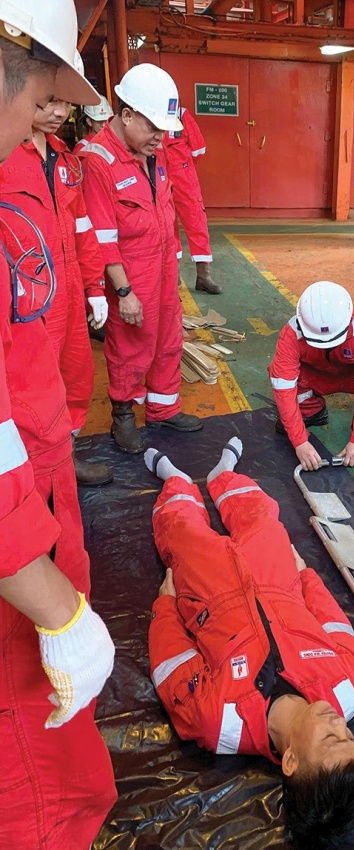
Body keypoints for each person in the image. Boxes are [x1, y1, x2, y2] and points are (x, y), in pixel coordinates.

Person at [0, 1, 117, 847]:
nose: (40, 119)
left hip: (36, 489)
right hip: (17, 552)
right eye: (41, 95)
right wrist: (56, 610)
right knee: (38, 784)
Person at [145, 438, 354, 848]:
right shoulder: (353, 686)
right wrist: (305, 576)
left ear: (291, 761)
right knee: (265, 519)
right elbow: (335, 624)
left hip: (211, 595)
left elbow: (172, 664)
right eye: (352, 739)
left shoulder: (217, 720)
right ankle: (223, 476)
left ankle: (175, 480)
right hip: (278, 583)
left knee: (181, 532)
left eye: (330, 738)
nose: (340, 723)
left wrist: (165, 606)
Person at [81, 63, 202, 454]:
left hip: (164, 267)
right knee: (131, 347)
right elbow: (102, 237)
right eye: (153, 127)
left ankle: (164, 409)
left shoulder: (156, 152)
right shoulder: (98, 161)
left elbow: (164, 209)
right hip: (131, 274)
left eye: (165, 128)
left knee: (168, 338)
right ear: (127, 115)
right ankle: (123, 417)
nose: (160, 137)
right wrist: (124, 291)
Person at [1, 95, 113, 485]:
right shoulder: (5, 153)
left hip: (69, 294)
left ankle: (64, 459)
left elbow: (82, 228)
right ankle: (31, 477)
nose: (61, 112)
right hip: (27, 304)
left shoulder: (64, 159)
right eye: (49, 101)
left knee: (77, 377)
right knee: (31, 393)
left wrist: (95, 286)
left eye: (66, 103)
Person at [269, 280, 354, 470]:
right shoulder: (291, 335)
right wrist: (299, 441)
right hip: (317, 376)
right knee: (279, 373)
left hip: (352, 375)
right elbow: (284, 388)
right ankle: (312, 412)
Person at [163, 105, 221, 295]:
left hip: (184, 179)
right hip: (163, 177)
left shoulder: (182, 115)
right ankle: (174, 276)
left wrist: (181, 166)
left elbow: (199, 149)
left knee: (196, 223)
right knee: (167, 225)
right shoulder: (153, 114)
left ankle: (203, 276)